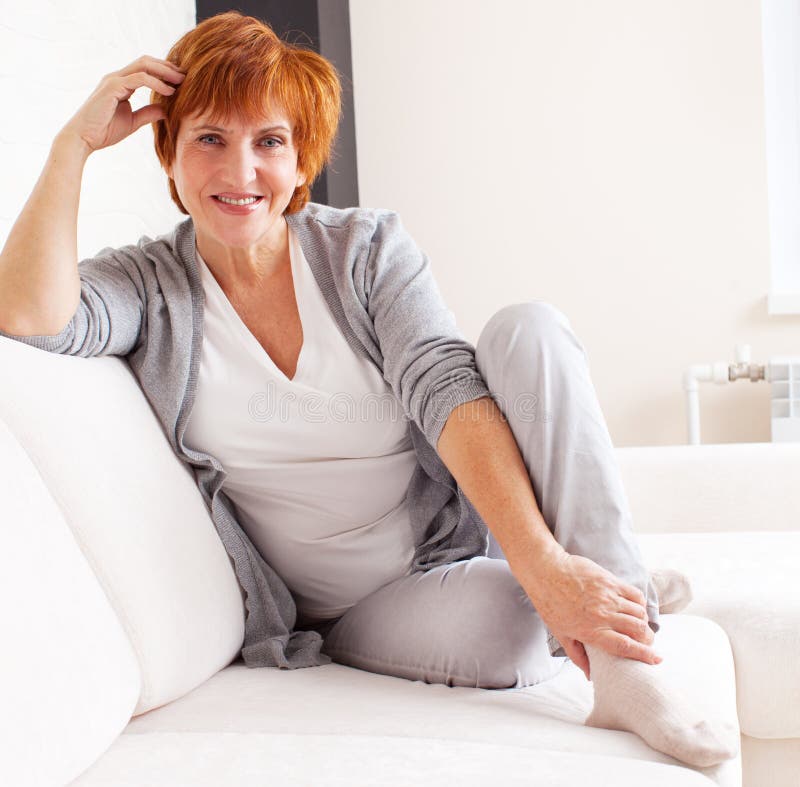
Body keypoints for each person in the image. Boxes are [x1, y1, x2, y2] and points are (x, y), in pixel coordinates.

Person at [0, 11, 737, 769]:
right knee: (514, 629)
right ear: (170, 151)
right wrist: (74, 147)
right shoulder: (147, 285)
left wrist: (550, 568)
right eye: (210, 138)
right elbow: (28, 317)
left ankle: (624, 669)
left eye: (269, 142)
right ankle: (622, 581)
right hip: (358, 608)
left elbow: (446, 387)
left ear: (300, 158)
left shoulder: (366, 249)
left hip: (446, 544)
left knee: (531, 330)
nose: (239, 172)